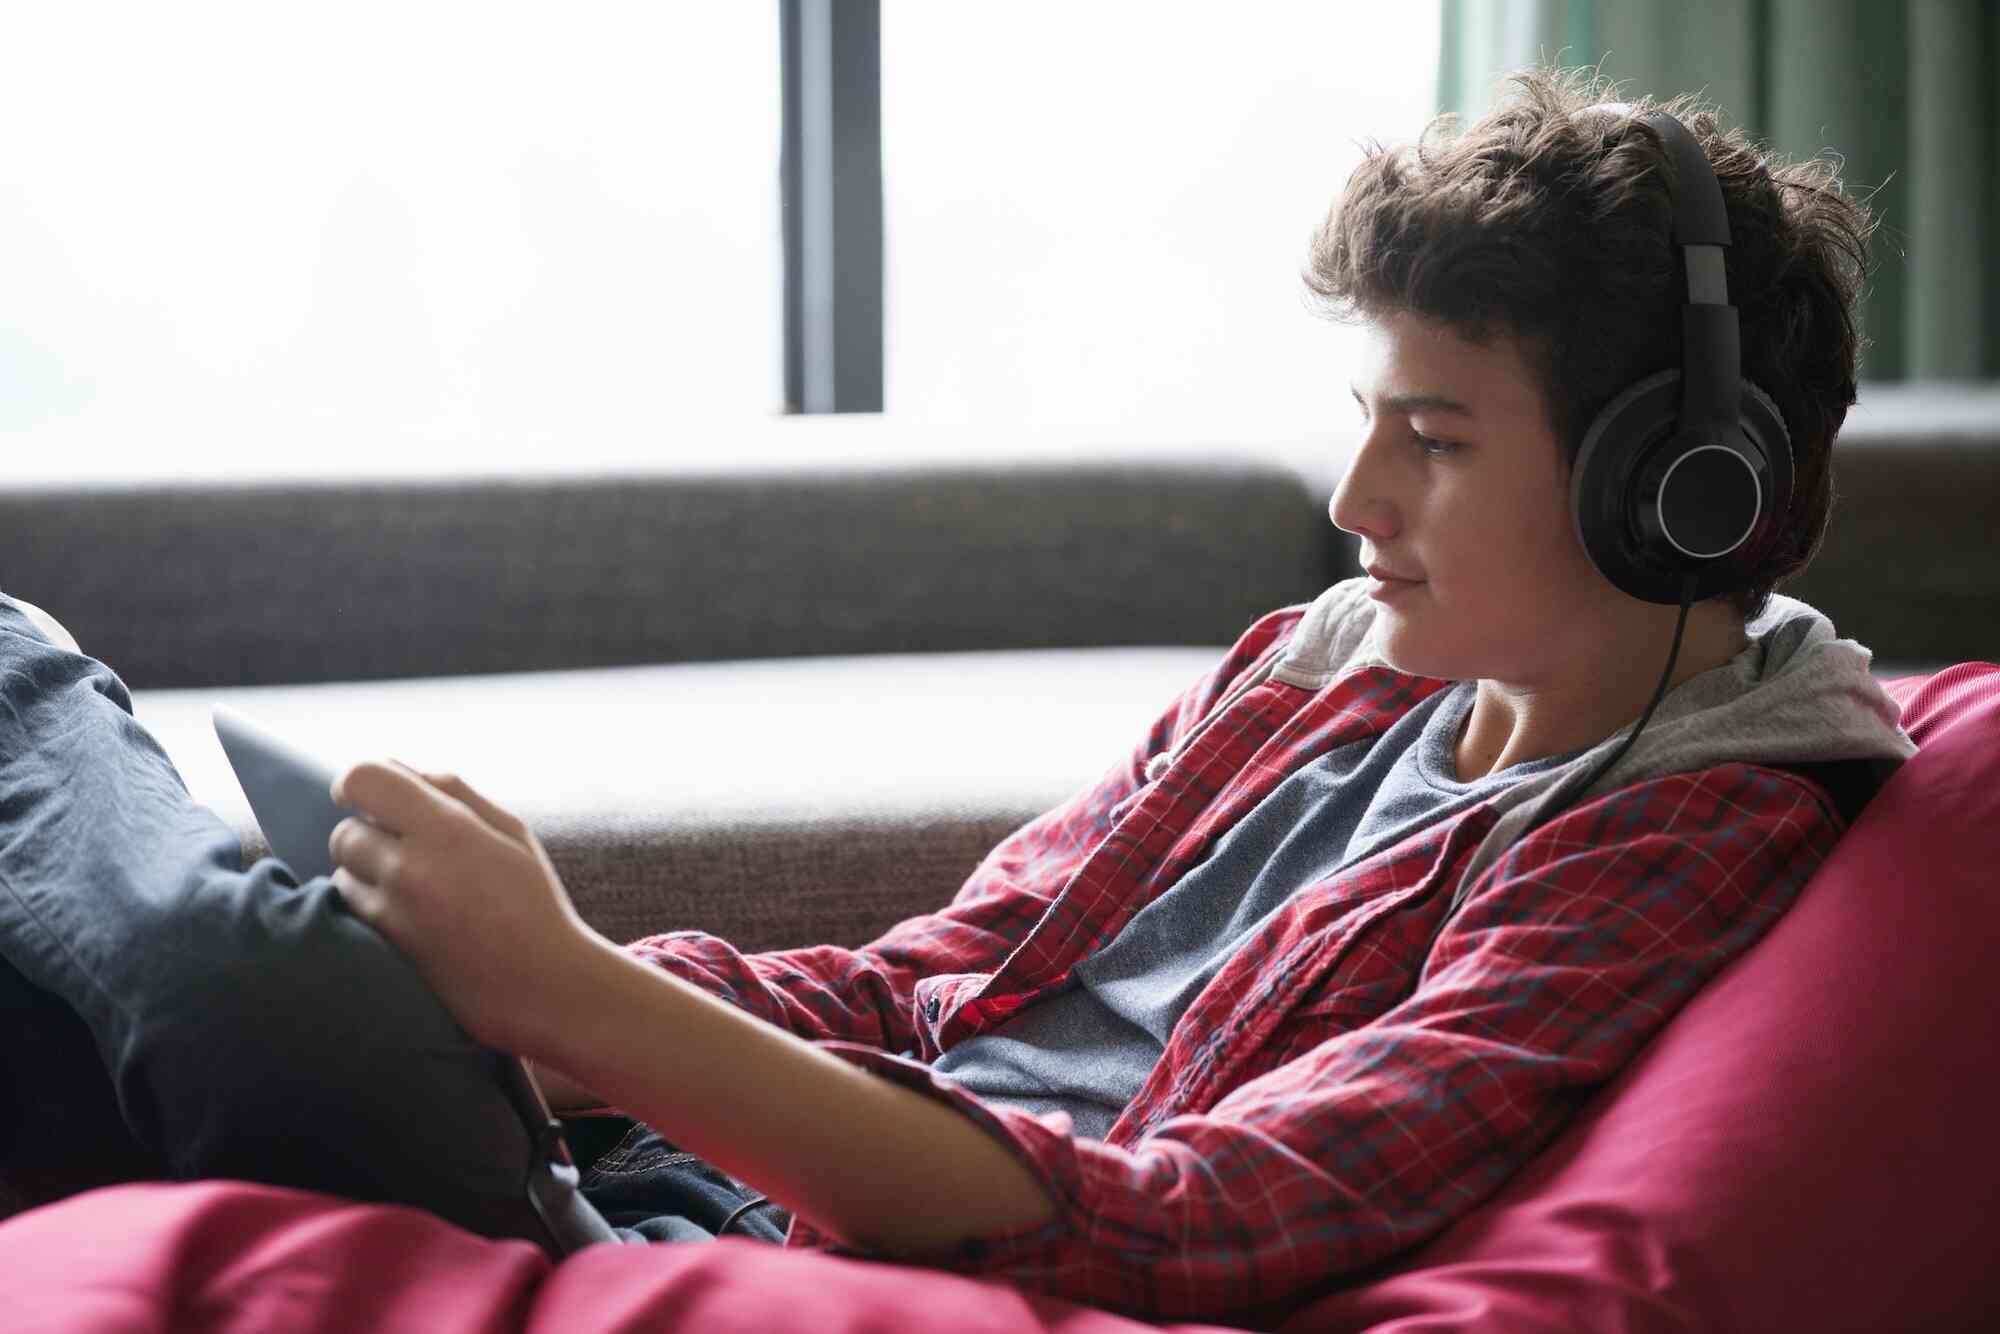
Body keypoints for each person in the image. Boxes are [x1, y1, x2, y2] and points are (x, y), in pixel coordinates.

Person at [0, 67, 1916, 1324]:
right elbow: (931, 977)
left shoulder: (1680, 828)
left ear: (1672, 490)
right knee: (92, 1036)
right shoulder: (1311, 674)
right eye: (1365, 424)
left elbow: (1207, 1216)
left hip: (829, 1269)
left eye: (1433, 439)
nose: (1353, 505)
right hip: (697, 1174)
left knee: (213, 963)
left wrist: (563, 996)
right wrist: (545, 998)